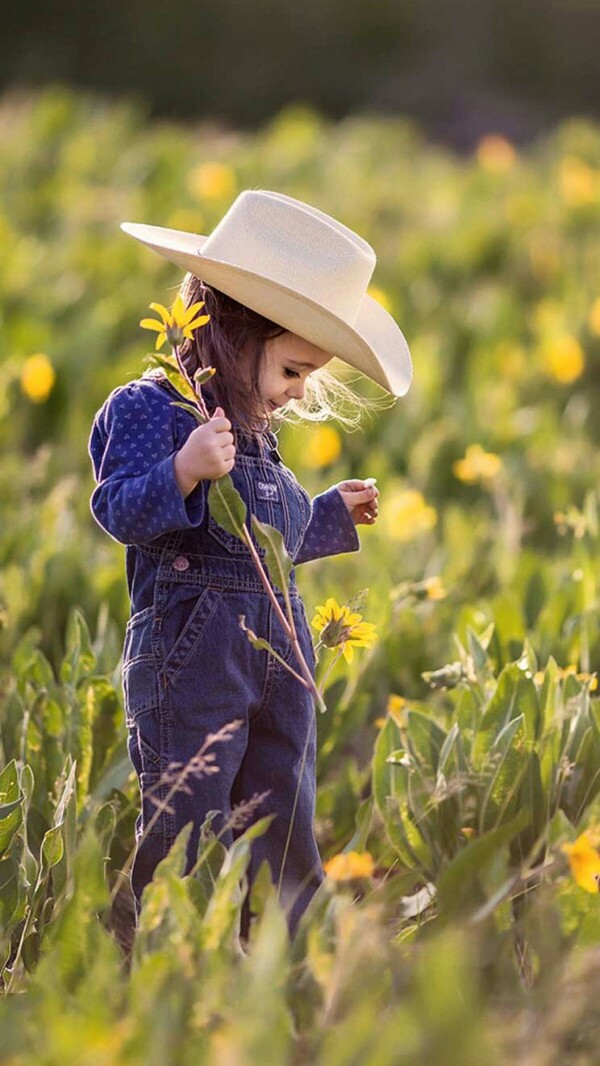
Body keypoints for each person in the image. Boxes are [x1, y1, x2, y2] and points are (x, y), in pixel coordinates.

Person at [87, 189, 412, 942]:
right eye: (294, 371)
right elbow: (120, 512)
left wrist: (327, 510)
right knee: (189, 815)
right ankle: (163, 958)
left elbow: (265, 541)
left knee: (283, 806)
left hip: (279, 656)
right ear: (235, 331)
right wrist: (182, 471)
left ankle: (286, 964)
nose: (299, 394)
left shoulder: (256, 430)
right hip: (191, 657)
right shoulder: (149, 410)